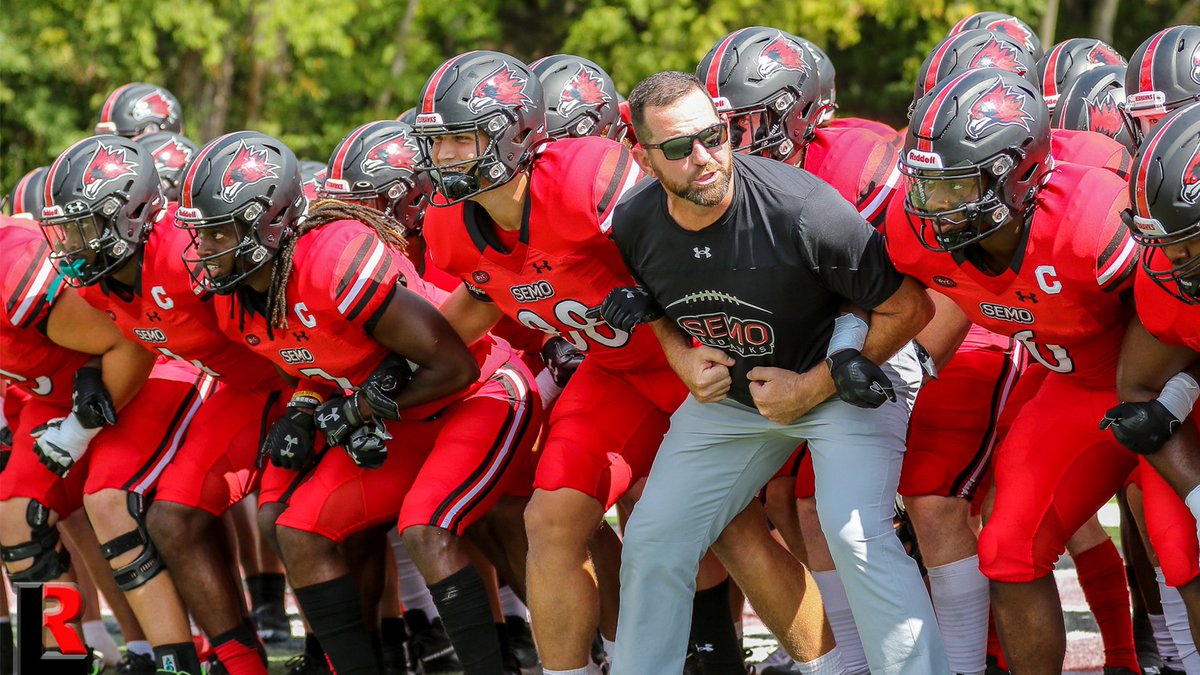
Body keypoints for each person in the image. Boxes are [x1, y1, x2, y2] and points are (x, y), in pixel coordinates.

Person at [603, 70, 946, 675]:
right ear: (644, 156)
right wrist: (680, 356)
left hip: (844, 379)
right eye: (680, 148)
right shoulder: (635, 221)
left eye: (715, 135)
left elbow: (910, 308)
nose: (704, 158)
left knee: (855, 533)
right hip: (737, 400)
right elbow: (653, 298)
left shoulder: (801, 210)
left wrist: (813, 386)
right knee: (654, 537)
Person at [176, 129, 540, 675]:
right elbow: (326, 362)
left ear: (266, 223)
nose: (203, 249)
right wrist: (304, 406)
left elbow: (453, 365)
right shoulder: (238, 301)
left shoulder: (330, 260)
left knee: (427, 528)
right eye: (199, 234)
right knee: (298, 530)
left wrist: (359, 412)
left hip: (477, 396)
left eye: (216, 232)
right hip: (407, 417)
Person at [411, 50, 688, 675]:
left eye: (460, 139)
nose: (446, 158)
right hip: (614, 373)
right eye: (438, 142)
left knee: (733, 528)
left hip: (691, 363)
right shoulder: (455, 224)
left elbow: (697, 244)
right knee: (552, 517)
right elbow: (475, 303)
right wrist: (387, 368)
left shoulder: (586, 177)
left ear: (514, 134)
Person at [889, 67, 1141, 675]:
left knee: (1178, 542)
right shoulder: (914, 230)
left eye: (954, 187)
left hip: (1159, 388)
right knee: (1007, 550)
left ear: (1021, 173)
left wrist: (1174, 398)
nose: (934, 207)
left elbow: (1172, 315)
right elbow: (887, 302)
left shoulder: (1092, 220)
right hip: (1075, 384)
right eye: (928, 185)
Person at [1102, 101, 1200, 670]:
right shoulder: (1168, 281)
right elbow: (1138, 386)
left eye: (1189, 241)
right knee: (1180, 546)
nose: (1173, 260)